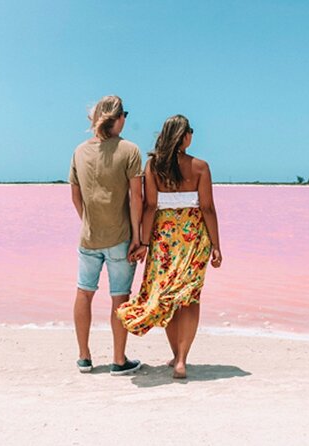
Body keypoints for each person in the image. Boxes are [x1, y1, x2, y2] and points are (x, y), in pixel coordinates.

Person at [117, 114, 222, 379]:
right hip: (194, 239)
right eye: (191, 131)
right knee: (189, 298)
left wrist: (143, 241)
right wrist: (217, 246)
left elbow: (150, 207)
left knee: (169, 298)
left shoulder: (153, 167)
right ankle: (182, 360)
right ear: (183, 135)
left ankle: (176, 355)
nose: (192, 136)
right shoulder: (200, 167)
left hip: (164, 239)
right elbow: (207, 208)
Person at [68, 95, 143, 376]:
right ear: (118, 117)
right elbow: (137, 198)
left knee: (84, 292)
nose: (126, 120)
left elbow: (75, 196)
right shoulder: (130, 150)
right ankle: (118, 360)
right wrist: (138, 236)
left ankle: (84, 357)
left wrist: (88, 222)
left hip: (88, 237)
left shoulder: (79, 151)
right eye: (125, 114)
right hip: (121, 237)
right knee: (119, 298)